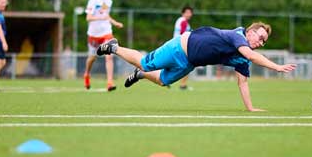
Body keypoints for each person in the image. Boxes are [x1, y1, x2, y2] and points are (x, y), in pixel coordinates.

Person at [96, 22, 296, 111]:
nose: (260, 43)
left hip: (189, 63)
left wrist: (250, 108)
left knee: (163, 80)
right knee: (146, 63)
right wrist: (277, 67)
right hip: (178, 47)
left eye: (263, 42)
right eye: (260, 37)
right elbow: (252, 55)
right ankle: (114, 47)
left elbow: (242, 83)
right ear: (250, 32)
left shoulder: (243, 57)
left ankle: (140, 75)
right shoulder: (238, 36)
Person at [84, 0, 123, 91]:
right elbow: (88, 18)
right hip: (93, 34)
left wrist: (115, 23)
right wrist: (100, 18)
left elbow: (106, 15)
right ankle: (86, 74)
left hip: (106, 32)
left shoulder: (109, 1)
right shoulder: (93, 1)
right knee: (92, 58)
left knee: (109, 56)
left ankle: (110, 82)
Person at [173, 6, 193, 90]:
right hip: (180, 46)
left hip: (176, 45)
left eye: (190, 12)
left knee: (183, 66)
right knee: (188, 64)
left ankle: (183, 85)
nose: (189, 14)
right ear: (183, 13)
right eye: (187, 12)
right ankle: (183, 85)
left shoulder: (180, 20)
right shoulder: (183, 21)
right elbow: (183, 34)